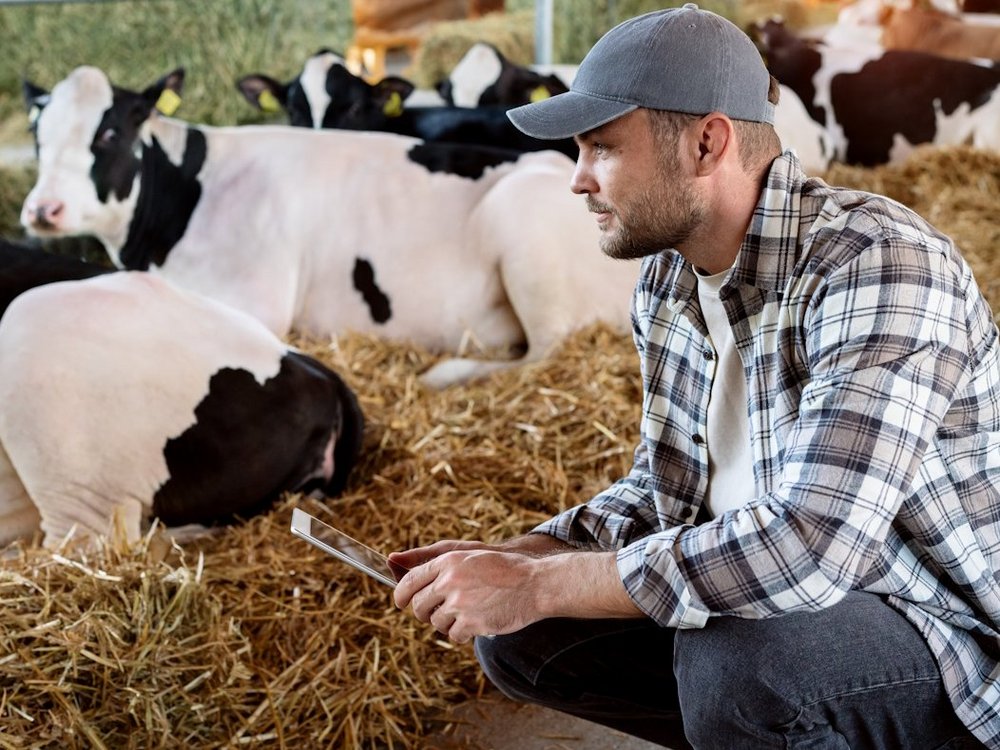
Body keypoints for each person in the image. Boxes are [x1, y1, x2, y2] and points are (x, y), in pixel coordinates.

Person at [389, 4, 1000, 748]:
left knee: (742, 665)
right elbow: (665, 490)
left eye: (602, 148)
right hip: (783, 610)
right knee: (522, 638)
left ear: (708, 143)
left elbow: (808, 548)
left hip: (941, 632)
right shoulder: (667, 283)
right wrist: (521, 558)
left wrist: (539, 583)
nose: (577, 181)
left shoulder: (878, 263)